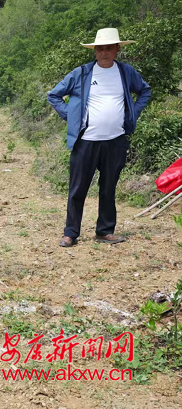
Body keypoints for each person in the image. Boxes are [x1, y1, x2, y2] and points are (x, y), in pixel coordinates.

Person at [47, 27, 151, 248]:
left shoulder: (125, 72)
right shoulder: (81, 73)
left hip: (116, 140)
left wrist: (133, 112)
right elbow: (54, 95)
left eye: (109, 48)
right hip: (86, 141)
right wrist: (71, 116)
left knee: (108, 187)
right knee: (78, 188)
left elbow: (145, 91)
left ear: (117, 50)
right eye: (100, 48)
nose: (104, 52)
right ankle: (70, 233)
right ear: (94, 50)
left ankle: (105, 231)